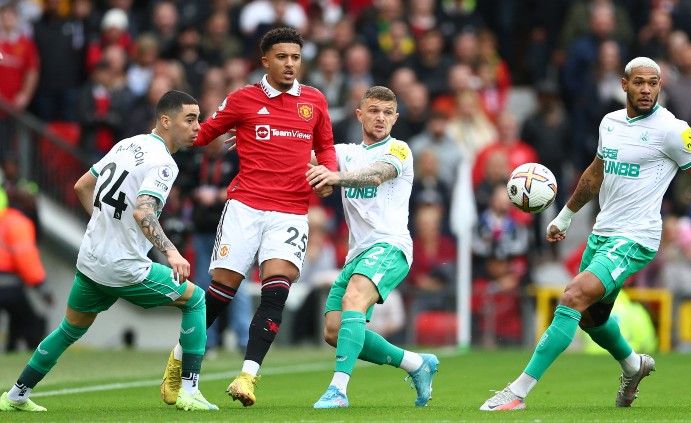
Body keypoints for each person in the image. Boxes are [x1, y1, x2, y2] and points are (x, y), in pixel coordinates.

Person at [479, 57, 691, 411]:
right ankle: (633, 365)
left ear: (660, 86)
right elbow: (595, 174)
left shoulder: (673, 130)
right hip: (603, 233)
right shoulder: (609, 123)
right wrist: (564, 217)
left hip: (636, 237)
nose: (646, 89)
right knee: (593, 319)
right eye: (639, 82)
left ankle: (516, 392)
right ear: (623, 84)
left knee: (572, 298)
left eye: (653, 83)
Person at [0, 90, 218, 412]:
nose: (198, 126)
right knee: (196, 299)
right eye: (190, 119)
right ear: (166, 120)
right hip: (123, 266)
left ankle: (15, 396)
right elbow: (143, 213)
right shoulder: (163, 163)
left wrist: (103, 223)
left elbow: (81, 185)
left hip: (91, 259)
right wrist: (172, 252)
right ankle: (189, 391)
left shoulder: (127, 144)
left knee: (69, 329)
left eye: (198, 119)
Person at [178, 26, 337, 407]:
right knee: (220, 291)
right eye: (282, 57)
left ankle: (248, 376)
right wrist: (165, 132)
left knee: (276, 288)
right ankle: (180, 361)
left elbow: (326, 148)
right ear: (265, 60)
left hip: (291, 211)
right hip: (245, 207)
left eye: (296, 57)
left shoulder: (314, 100)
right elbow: (201, 135)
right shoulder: (243, 100)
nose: (289, 64)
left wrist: (327, 174)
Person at [305, 86, 439, 409]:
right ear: (360, 114)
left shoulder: (400, 151)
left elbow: (377, 176)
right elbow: (298, 153)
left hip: (390, 246)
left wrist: (334, 178)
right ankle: (415, 364)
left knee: (353, 298)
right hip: (358, 253)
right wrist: (260, 143)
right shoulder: (345, 152)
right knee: (334, 331)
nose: (380, 118)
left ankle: (338, 390)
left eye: (387, 112)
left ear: (395, 118)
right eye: (374, 110)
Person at [0, 171, 50, 352]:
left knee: (18, 318)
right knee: (28, 321)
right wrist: (43, 288)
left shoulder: (3, 219)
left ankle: (11, 347)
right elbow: (26, 259)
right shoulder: (19, 222)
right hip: (8, 284)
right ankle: (18, 351)